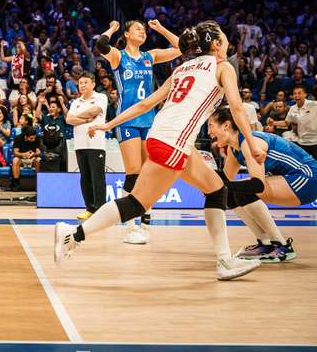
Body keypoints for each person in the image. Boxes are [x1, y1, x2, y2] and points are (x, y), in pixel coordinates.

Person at [57, 21, 265, 281]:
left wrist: (109, 124)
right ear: (215, 43)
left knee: (216, 189)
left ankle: (224, 260)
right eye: (223, 38)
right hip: (174, 142)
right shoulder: (222, 67)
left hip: (160, 134)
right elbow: (236, 107)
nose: (227, 43)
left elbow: (145, 104)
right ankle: (73, 235)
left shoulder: (183, 67)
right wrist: (253, 143)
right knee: (137, 203)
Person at [94, 19, 181, 244]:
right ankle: (130, 224)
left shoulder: (148, 56)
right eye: (138, 29)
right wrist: (112, 29)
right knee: (133, 172)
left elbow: (181, 49)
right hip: (128, 120)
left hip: (149, 120)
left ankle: (145, 222)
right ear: (128, 33)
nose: (142, 32)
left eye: (144, 30)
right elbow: (100, 44)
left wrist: (161, 29)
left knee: (147, 173)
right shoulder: (118, 56)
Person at [208, 106, 317, 262]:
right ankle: (265, 244)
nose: (209, 132)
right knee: (229, 192)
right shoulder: (234, 149)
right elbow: (225, 179)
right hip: (291, 179)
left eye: (210, 126)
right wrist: (202, 176)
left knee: (242, 190)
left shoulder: (250, 143)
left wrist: (220, 186)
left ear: (226, 125)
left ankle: (282, 246)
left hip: (307, 179)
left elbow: (257, 185)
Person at [66, 71, 108, 220]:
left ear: (93, 84)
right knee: (85, 178)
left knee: (98, 177)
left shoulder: (101, 97)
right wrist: (86, 120)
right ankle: (90, 208)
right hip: (80, 144)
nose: (82, 85)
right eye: (80, 83)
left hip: (96, 144)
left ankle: (101, 211)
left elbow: (95, 111)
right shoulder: (76, 102)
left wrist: (77, 117)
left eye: (85, 82)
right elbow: (68, 120)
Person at [285, 86, 317, 173]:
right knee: (303, 169)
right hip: (303, 142)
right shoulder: (293, 108)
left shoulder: (314, 105)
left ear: (305, 95)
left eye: (299, 93)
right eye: (295, 94)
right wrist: (273, 123)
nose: (297, 95)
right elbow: (287, 122)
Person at [11, 125, 41, 191]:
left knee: (39, 160)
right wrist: (23, 154)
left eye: (34, 138)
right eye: (31, 138)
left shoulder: (37, 138)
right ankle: (16, 184)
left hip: (32, 158)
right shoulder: (18, 138)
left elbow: (38, 152)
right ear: (26, 137)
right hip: (22, 158)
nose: (33, 139)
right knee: (15, 160)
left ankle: (39, 184)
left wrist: (34, 154)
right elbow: (15, 152)